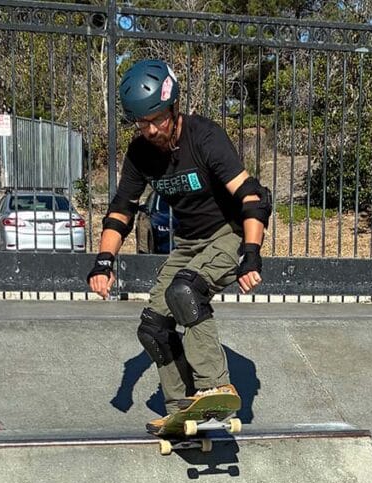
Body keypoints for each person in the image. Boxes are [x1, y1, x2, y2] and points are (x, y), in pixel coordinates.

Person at [87, 59, 271, 433]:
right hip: (189, 242)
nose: (151, 130)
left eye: (158, 119)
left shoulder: (204, 137)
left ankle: (215, 386)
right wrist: (104, 261)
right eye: (142, 123)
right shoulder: (140, 152)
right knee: (153, 327)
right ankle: (182, 409)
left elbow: (251, 197)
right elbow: (122, 208)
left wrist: (251, 254)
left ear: (173, 107)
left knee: (185, 291)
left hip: (228, 232)